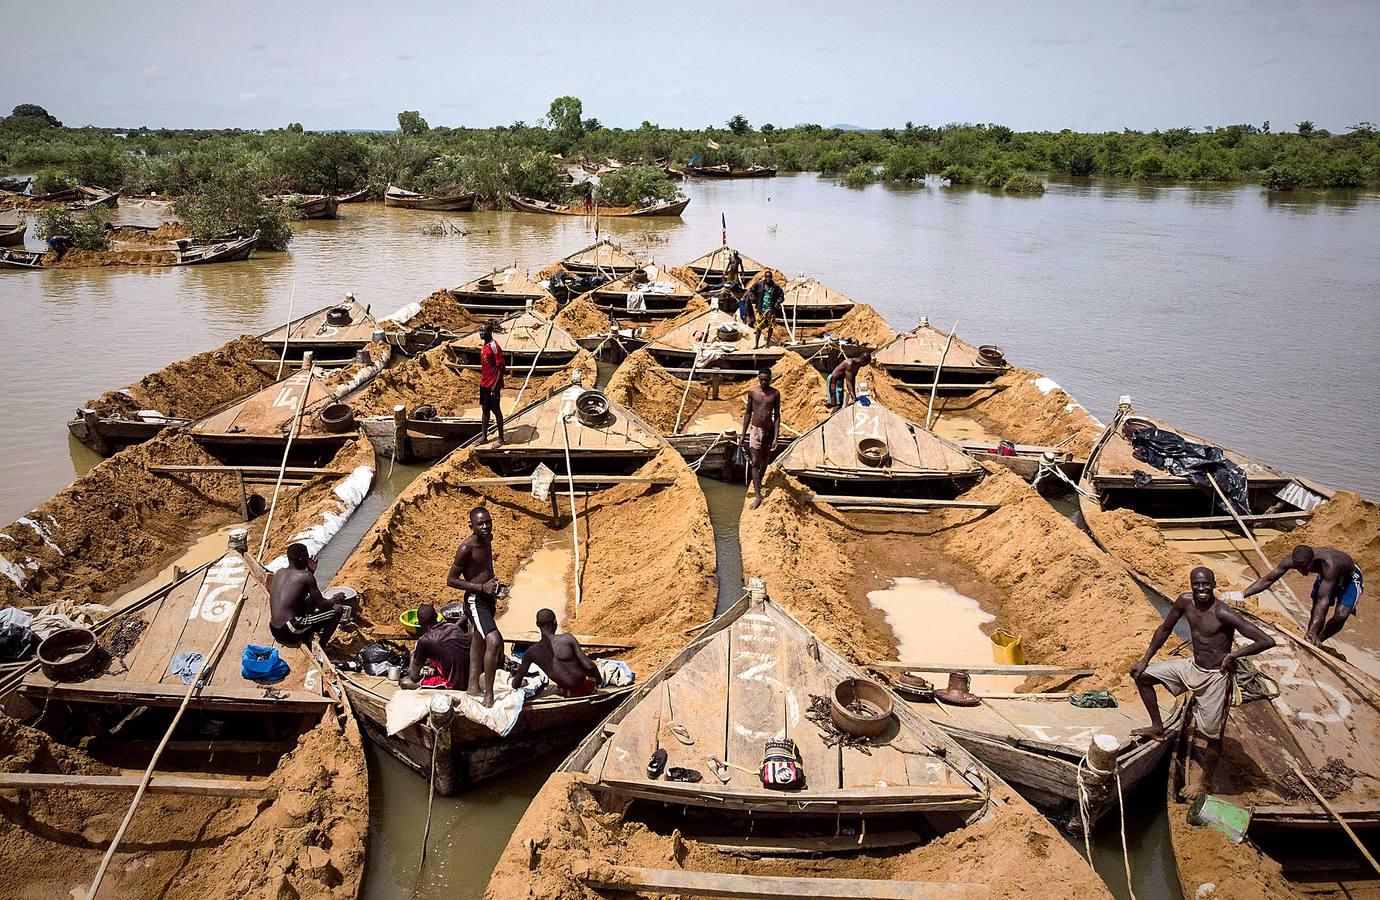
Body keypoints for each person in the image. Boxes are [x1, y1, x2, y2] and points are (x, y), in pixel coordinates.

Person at [1130, 566, 1275, 797]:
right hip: (1192, 667)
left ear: (1214, 585)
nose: (1201, 589)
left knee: (1213, 735)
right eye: (1196, 584)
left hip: (1215, 677)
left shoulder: (1224, 613)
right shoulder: (1185, 601)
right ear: (1191, 585)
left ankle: (1203, 783)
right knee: (1142, 676)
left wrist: (1233, 655)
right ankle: (1157, 726)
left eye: (1206, 584)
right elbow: (1165, 629)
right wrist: (1145, 660)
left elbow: (1266, 640)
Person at [1227, 545, 1363, 646]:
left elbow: (1324, 601)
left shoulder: (1330, 564)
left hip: (1349, 577)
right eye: (1298, 567)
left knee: (1341, 615)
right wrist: (1242, 594)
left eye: (1305, 567)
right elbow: (1268, 580)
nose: (1302, 571)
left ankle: (1319, 638)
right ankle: (1310, 638)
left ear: (1313, 560)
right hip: (1326, 577)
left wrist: (1314, 631)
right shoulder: (1291, 560)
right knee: (1315, 606)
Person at [448, 507, 504, 707]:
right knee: (494, 640)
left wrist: (493, 585)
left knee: (479, 639)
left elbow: (485, 567)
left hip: (488, 597)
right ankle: (489, 695)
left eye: (488, 522)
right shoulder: (466, 548)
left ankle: (473, 685)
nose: (485, 526)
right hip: (475, 599)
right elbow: (451, 580)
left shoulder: (488, 539)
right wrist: (481, 587)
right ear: (471, 525)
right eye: (480, 523)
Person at [269, 543, 349, 647]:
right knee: (338, 610)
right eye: (307, 558)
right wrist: (335, 599)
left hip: (274, 628)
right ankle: (322, 646)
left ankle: (308, 630)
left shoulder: (279, 572)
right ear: (302, 559)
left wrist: (311, 572)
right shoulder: (306, 576)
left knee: (310, 600)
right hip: (290, 631)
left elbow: (299, 592)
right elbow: (323, 605)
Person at [509, 608, 601, 697]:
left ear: (537, 624)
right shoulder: (567, 638)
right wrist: (600, 681)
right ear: (555, 622)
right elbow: (589, 666)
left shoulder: (531, 652)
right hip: (588, 686)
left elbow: (516, 683)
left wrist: (518, 682)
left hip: (568, 693)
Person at [400, 603, 471, 691]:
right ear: (437, 616)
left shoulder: (425, 640)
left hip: (454, 684)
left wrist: (412, 656)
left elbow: (413, 676)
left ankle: (444, 684)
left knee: (405, 682)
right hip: (469, 679)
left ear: (420, 623)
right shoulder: (454, 628)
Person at [740, 368, 782, 510]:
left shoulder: (775, 394)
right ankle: (758, 496)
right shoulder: (753, 392)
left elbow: (777, 416)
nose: (764, 382)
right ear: (758, 378)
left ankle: (760, 481)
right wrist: (743, 434)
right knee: (755, 463)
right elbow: (747, 414)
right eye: (761, 379)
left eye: (766, 379)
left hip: (769, 431)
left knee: (765, 461)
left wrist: (776, 437)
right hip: (756, 430)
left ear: (770, 378)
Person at [478, 322, 506, 447]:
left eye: (483, 331)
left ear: (490, 332)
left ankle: (501, 438)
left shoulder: (495, 347)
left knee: (496, 410)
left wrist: (496, 386)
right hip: (484, 383)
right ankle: (484, 436)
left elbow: (501, 367)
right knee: (484, 409)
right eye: (480, 331)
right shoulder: (484, 346)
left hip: (492, 385)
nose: (481, 333)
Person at [743, 271, 784, 349]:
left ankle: (767, 343)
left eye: (769, 277)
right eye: (766, 277)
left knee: (770, 327)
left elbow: (781, 296)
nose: (768, 279)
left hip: (771, 310)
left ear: (771, 278)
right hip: (761, 309)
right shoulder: (759, 284)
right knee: (758, 327)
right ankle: (756, 345)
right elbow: (751, 290)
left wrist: (777, 303)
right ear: (764, 277)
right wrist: (753, 298)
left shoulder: (775, 287)